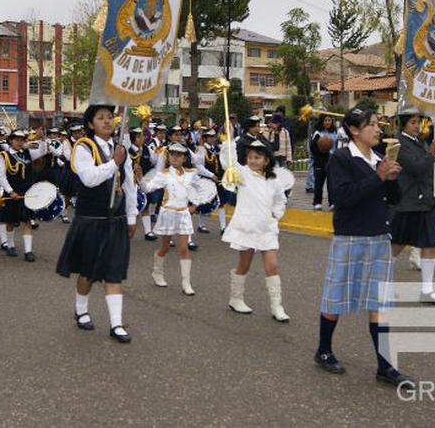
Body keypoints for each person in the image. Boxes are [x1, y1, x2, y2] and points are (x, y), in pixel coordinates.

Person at [314, 107, 412, 387]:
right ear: (355, 130)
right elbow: (343, 198)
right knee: (336, 298)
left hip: (380, 237)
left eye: (378, 124)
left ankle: (385, 365)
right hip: (350, 237)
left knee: (379, 302)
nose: (378, 129)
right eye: (372, 125)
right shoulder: (341, 159)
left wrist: (391, 179)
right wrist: (377, 177)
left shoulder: (379, 158)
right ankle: (323, 350)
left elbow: (392, 198)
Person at [55, 104, 138, 343]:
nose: (107, 121)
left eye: (110, 117)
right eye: (100, 118)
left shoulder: (120, 148)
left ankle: (116, 324)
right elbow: (89, 179)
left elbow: (129, 185)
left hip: (116, 219)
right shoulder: (83, 147)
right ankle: (81, 309)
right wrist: (114, 163)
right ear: (91, 124)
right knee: (87, 273)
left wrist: (131, 217)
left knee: (114, 273)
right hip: (91, 219)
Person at [221, 141, 290, 322]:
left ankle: (277, 306)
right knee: (244, 264)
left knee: (272, 265)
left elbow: (280, 200)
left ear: (266, 160)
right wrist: (228, 142)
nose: (252, 161)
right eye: (250, 157)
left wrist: (276, 214)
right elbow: (229, 163)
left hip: (267, 228)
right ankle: (236, 298)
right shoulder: (243, 174)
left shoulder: (274, 180)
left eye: (257, 158)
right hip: (248, 227)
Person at [140, 143, 215, 296]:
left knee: (183, 249)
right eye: (172, 154)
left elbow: (202, 188)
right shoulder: (164, 174)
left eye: (178, 155)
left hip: (183, 214)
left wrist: (195, 204)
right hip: (168, 213)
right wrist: (140, 178)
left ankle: (186, 282)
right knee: (165, 247)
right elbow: (147, 188)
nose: (174, 157)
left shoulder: (191, 173)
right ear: (168, 157)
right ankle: (157, 272)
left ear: (184, 158)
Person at [389, 112, 435, 305]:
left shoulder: (418, 142)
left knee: (430, 243)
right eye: (413, 123)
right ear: (403, 125)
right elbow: (415, 167)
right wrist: (431, 154)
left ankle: (428, 289)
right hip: (408, 202)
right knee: (397, 244)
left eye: (418, 123)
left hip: (425, 202)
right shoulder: (400, 143)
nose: (417, 126)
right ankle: (382, 283)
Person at [0, 128, 47, 261]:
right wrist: (10, 191)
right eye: (16, 140)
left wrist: (42, 139)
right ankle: (11, 245)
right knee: (10, 221)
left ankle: (28, 251)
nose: (19, 142)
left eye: (22, 140)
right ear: (10, 141)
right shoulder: (3, 156)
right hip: (12, 193)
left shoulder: (27, 153)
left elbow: (42, 151)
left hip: (27, 192)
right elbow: (1, 177)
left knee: (27, 221)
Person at [310, 115, 339, 210]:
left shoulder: (335, 133)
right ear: (322, 122)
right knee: (319, 183)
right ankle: (317, 202)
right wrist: (322, 150)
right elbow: (313, 148)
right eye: (325, 120)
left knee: (332, 184)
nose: (327, 122)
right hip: (320, 162)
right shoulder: (318, 133)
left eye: (329, 120)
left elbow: (337, 146)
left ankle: (332, 203)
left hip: (332, 162)